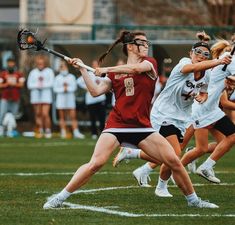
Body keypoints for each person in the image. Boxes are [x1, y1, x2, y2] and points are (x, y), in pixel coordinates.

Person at [43, 30, 218, 209]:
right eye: (143, 43)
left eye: (147, 43)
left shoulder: (150, 63)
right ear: (131, 46)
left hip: (142, 127)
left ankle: (194, 201)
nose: (146, 46)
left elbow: (134, 69)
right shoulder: (115, 74)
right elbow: (95, 92)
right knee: (96, 163)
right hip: (117, 125)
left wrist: (105, 69)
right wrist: (82, 69)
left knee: (173, 160)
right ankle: (60, 197)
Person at [112, 32, 232, 197]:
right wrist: (218, 61)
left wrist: (201, 96)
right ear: (190, 53)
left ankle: (133, 153)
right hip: (164, 113)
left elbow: (204, 92)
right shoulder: (184, 63)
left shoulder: (208, 74)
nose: (201, 56)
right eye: (197, 52)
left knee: (167, 154)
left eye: (205, 54)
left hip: (183, 118)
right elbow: (193, 68)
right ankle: (162, 187)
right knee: (175, 154)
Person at [53, 61, 85, 139]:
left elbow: (74, 87)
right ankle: (63, 132)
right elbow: (55, 89)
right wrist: (63, 89)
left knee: (73, 117)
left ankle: (76, 132)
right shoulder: (57, 78)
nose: (63, 68)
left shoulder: (71, 77)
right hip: (61, 100)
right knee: (62, 117)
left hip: (70, 99)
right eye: (61, 67)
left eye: (64, 66)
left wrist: (67, 89)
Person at [77, 60, 106, 139]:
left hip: (101, 99)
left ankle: (103, 133)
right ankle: (94, 133)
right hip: (91, 100)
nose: (95, 65)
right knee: (92, 117)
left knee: (102, 118)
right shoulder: (89, 74)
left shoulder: (103, 73)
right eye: (94, 64)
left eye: (96, 64)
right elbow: (79, 81)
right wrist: (86, 88)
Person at [27, 55, 55, 138]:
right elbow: (29, 85)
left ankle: (48, 130)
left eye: (42, 63)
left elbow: (51, 83)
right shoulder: (33, 72)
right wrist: (37, 85)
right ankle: (40, 130)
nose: (40, 65)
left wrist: (42, 85)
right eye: (39, 63)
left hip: (46, 95)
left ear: (44, 63)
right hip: (35, 96)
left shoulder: (49, 71)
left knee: (45, 114)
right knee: (38, 114)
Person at [0, 58, 25, 137]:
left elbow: (21, 84)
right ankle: (1, 129)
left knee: (13, 115)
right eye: (9, 63)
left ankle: (11, 130)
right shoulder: (3, 74)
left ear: (14, 63)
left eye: (12, 62)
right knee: (2, 114)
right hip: (5, 97)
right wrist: (7, 84)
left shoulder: (19, 74)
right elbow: (0, 85)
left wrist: (14, 84)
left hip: (15, 97)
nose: (10, 64)